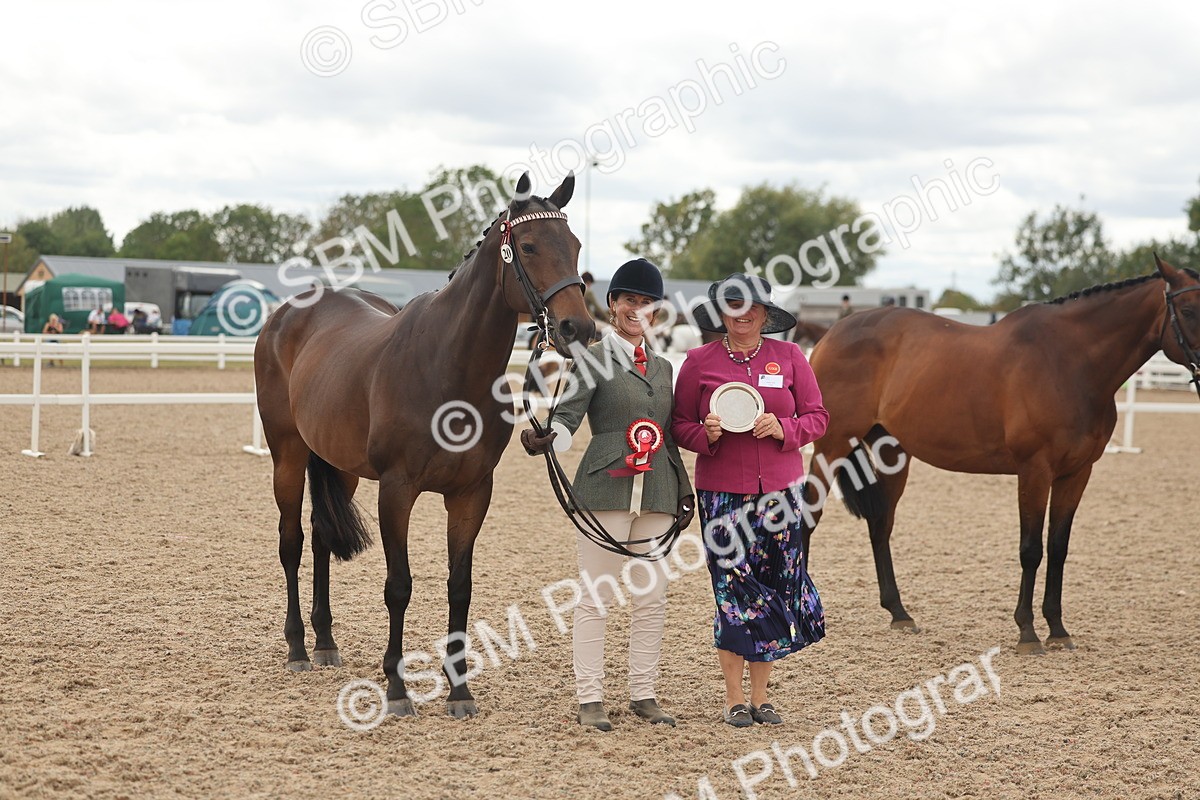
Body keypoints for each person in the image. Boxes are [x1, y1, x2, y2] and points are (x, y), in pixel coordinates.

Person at [521, 257, 695, 731]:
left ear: (656, 311)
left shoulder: (664, 369)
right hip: (605, 486)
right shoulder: (593, 358)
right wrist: (547, 439)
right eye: (629, 300)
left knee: (652, 596)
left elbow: (668, 433)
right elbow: (568, 417)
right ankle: (590, 697)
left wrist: (683, 487)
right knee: (596, 595)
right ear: (614, 305)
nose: (637, 309)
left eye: (646, 302)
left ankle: (644, 693)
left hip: (658, 487)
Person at [671, 273, 829, 728]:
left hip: (782, 494)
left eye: (752, 306)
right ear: (722, 313)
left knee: (777, 586)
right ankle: (734, 698)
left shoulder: (791, 356)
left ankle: (762, 698)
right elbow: (679, 424)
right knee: (733, 592)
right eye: (733, 305)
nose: (743, 314)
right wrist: (706, 434)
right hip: (721, 495)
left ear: (764, 313)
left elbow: (818, 417)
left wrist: (786, 430)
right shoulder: (698, 362)